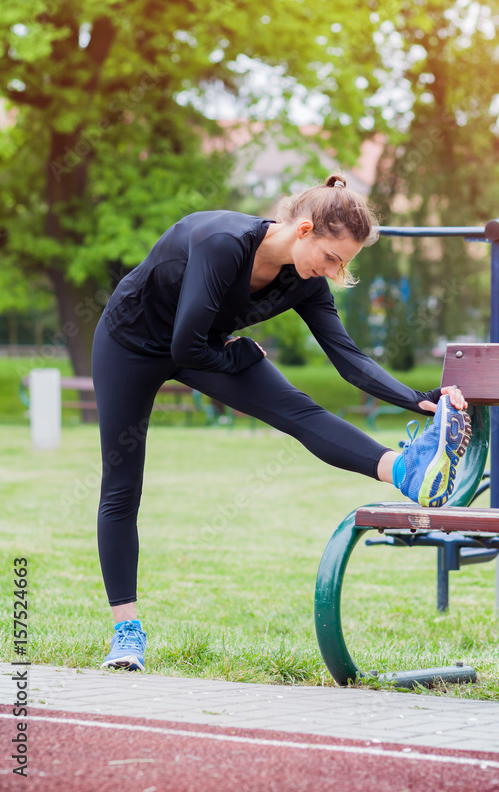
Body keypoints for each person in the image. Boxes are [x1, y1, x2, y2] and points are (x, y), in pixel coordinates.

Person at [93, 174, 471, 672]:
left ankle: (405, 471)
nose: (335, 273)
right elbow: (185, 346)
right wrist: (240, 354)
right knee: (122, 486)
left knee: (300, 411)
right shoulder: (222, 243)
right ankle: (127, 632)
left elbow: (348, 357)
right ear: (305, 229)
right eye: (333, 258)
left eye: (344, 264)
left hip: (206, 347)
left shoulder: (305, 279)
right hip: (132, 343)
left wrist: (417, 400)